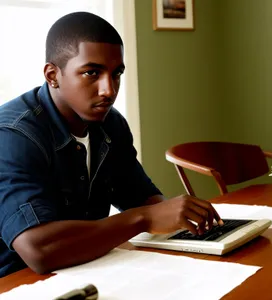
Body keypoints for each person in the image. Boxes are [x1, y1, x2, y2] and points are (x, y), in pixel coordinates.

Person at [0, 11, 223, 277]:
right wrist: (146, 218)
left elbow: (141, 198)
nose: (109, 90)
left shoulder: (110, 123)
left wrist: (183, 217)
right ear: (52, 75)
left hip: (89, 269)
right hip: (18, 283)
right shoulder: (12, 136)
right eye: (91, 73)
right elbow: (39, 250)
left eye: (116, 73)